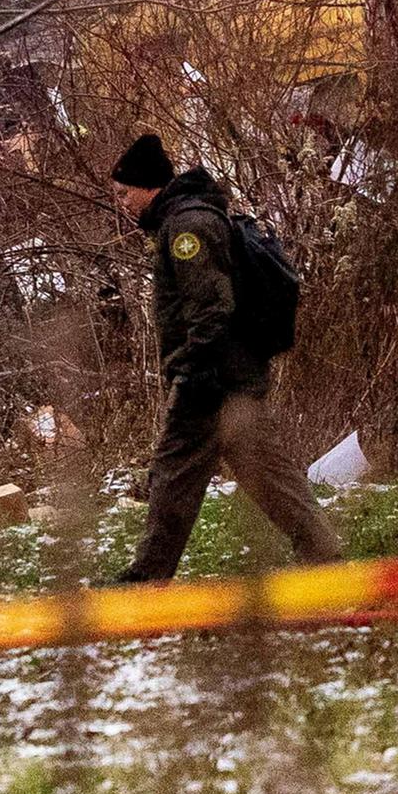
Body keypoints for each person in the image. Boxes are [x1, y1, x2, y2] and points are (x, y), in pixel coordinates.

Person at [108, 132, 342, 583]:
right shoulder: (188, 219)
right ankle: (324, 553)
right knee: (267, 475)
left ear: (148, 187)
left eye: (124, 193)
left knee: (173, 476)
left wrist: (197, 372)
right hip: (232, 374)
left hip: (212, 380)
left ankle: (147, 577)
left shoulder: (187, 228)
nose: (121, 203)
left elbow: (210, 305)